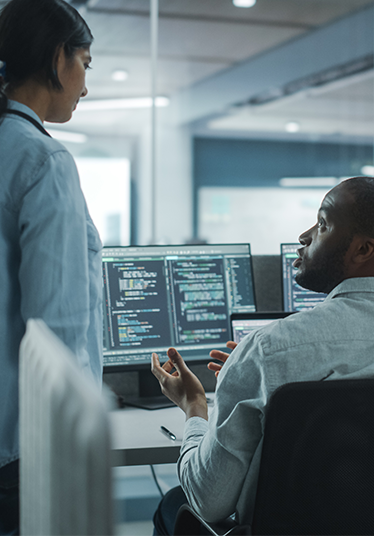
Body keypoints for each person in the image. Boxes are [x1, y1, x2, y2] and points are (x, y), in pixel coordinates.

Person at [151, 176, 374, 535]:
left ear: (364, 250)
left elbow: (209, 499)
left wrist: (195, 406)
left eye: (323, 224)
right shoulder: (266, 355)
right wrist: (247, 374)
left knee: (173, 503)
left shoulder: (269, 350)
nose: (305, 236)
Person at [0, 1, 102, 533]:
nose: (85, 86)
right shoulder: (44, 159)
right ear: (58, 58)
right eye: (85, 63)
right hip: (22, 445)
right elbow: (55, 332)